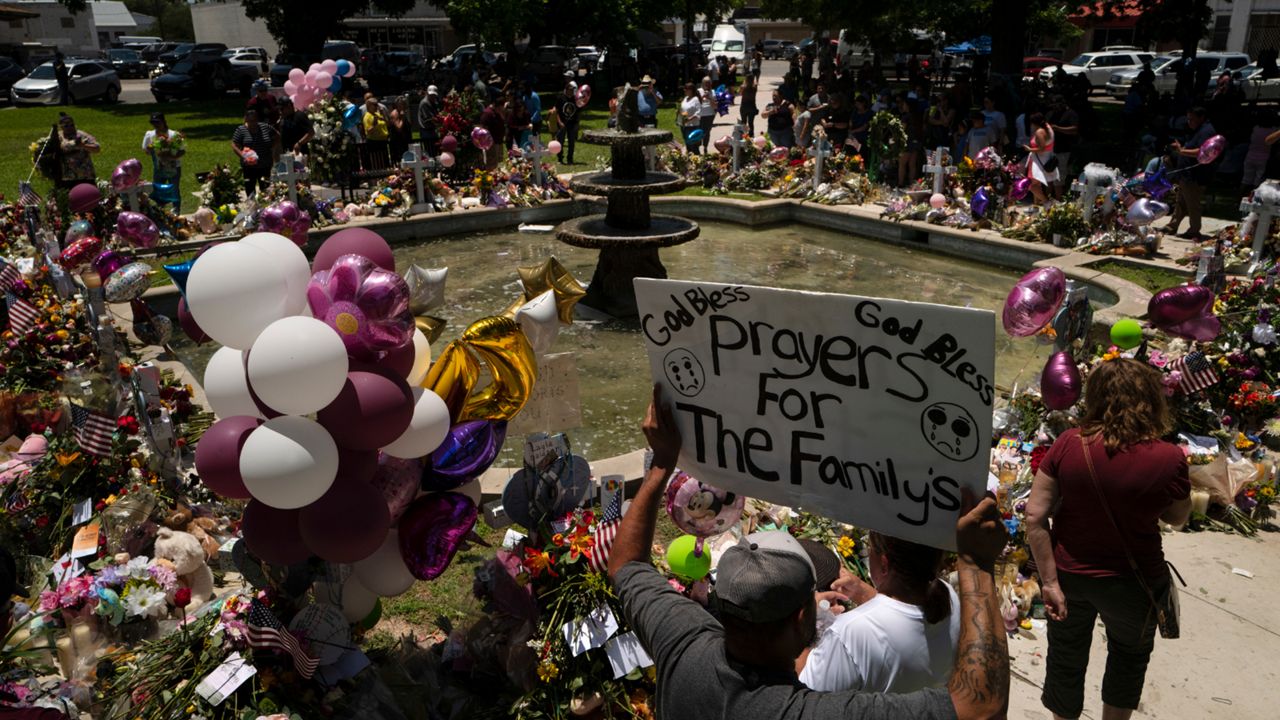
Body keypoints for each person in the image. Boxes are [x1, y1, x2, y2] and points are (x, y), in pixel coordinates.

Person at [608, 384, 1010, 720]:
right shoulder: (803, 711)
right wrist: (976, 564)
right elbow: (981, 708)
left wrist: (662, 463)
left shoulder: (682, 640)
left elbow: (625, 564)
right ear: (805, 617)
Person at [1025, 358, 1191, 720]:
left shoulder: (1069, 444)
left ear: (1095, 397)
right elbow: (1178, 518)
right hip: (1136, 583)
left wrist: (1049, 582)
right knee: (1128, 658)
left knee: (1066, 656)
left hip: (1071, 576)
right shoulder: (1169, 457)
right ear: (1150, 399)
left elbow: (1035, 517)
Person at [799, 532, 959, 694]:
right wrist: (863, 592)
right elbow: (900, 617)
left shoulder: (847, 633)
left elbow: (805, 700)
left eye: (870, 548)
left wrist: (809, 621)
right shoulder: (947, 594)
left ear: (884, 563)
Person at [1163, 107, 1217, 240]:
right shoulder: (1196, 130)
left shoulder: (1206, 131)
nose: (1189, 122)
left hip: (1195, 175)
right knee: (1181, 201)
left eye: (1192, 119)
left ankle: (1194, 230)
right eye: (1188, 119)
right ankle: (1172, 225)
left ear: (1201, 117)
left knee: (1192, 204)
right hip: (1186, 174)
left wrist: (1181, 151)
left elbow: (1201, 151)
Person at [141, 111, 184, 212]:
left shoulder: (174, 135)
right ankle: (161, 212)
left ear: (164, 121)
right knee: (159, 190)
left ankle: (176, 212)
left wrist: (170, 156)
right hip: (158, 167)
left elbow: (182, 151)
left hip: (174, 167)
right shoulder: (150, 134)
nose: (155, 125)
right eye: (153, 123)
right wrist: (151, 149)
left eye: (157, 122)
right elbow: (145, 150)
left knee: (174, 190)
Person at [231, 108, 277, 198]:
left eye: (255, 120)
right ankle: (252, 208)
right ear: (246, 120)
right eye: (250, 121)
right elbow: (234, 144)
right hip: (249, 166)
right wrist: (243, 156)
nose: (253, 123)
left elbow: (277, 136)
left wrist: (271, 147)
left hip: (265, 164)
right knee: (250, 189)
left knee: (266, 189)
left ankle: (266, 208)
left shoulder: (265, 127)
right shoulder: (241, 129)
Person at [54, 113, 99, 190]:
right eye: (66, 126)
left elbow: (97, 148)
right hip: (66, 177)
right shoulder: (58, 137)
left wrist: (83, 145)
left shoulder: (81, 135)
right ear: (61, 127)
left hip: (85, 175)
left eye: (72, 125)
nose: (70, 128)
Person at [1023, 112, 1058, 205]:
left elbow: (1041, 148)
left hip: (1038, 160)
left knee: (1031, 186)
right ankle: (1038, 204)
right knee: (1037, 184)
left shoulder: (1039, 132)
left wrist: (1029, 149)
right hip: (1045, 159)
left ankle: (1046, 202)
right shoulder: (1048, 127)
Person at [1047, 95, 1079, 185]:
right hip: (1050, 149)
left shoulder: (1071, 114)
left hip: (1064, 149)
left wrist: (1058, 128)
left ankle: (1058, 196)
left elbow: (1074, 130)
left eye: (1056, 105)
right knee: (1048, 174)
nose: (1055, 107)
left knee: (1060, 175)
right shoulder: (1050, 114)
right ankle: (1048, 196)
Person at [361, 92, 391, 170]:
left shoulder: (377, 114)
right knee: (376, 162)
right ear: (369, 106)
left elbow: (387, 124)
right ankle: (378, 179)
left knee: (384, 162)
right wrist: (374, 125)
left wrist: (383, 115)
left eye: (376, 104)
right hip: (374, 142)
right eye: (374, 105)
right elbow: (368, 131)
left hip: (382, 141)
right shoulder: (367, 116)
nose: (376, 106)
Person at [556, 82, 580, 164]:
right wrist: (560, 122)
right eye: (570, 90)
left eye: (572, 90)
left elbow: (578, 112)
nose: (571, 92)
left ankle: (570, 159)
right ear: (566, 90)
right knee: (560, 142)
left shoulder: (575, 99)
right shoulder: (561, 98)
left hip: (572, 123)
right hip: (562, 123)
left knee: (571, 142)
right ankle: (560, 158)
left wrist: (577, 124)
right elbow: (557, 112)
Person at [679, 82, 703, 154]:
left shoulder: (695, 99)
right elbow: (682, 110)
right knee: (688, 145)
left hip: (693, 126)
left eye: (686, 89)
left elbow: (698, 112)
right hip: (684, 125)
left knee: (694, 146)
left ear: (691, 90)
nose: (684, 90)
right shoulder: (685, 98)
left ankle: (698, 161)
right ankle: (690, 161)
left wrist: (689, 119)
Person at [417, 85, 442, 155]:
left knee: (435, 150)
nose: (432, 96)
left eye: (434, 95)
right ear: (427, 93)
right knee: (430, 151)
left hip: (432, 130)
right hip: (426, 131)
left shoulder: (434, 102)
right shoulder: (425, 103)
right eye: (431, 95)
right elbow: (431, 119)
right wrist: (442, 124)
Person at [389, 95, 414, 160]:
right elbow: (399, 128)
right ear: (397, 105)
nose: (404, 106)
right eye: (402, 104)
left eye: (405, 104)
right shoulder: (395, 113)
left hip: (405, 142)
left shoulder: (403, 113)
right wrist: (402, 117)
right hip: (398, 144)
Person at [698, 76, 716, 154]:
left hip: (710, 114)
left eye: (709, 83)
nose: (707, 85)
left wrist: (709, 98)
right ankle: (698, 147)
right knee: (699, 131)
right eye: (706, 83)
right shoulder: (698, 91)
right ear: (702, 83)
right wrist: (703, 96)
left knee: (707, 131)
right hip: (700, 114)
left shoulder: (713, 92)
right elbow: (696, 103)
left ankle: (705, 147)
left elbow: (715, 106)